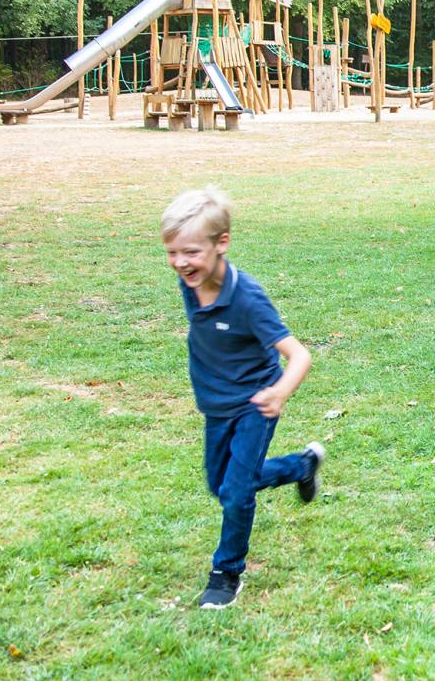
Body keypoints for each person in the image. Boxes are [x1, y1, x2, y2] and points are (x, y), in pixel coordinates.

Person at [161, 186, 324, 609]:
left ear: (222, 244)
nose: (181, 263)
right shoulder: (190, 282)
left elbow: (300, 354)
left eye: (191, 252)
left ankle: (226, 572)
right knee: (221, 484)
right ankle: (302, 464)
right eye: (172, 252)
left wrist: (280, 393)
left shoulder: (247, 298)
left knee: (235, 493)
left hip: (256, 403)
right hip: (215, 407)